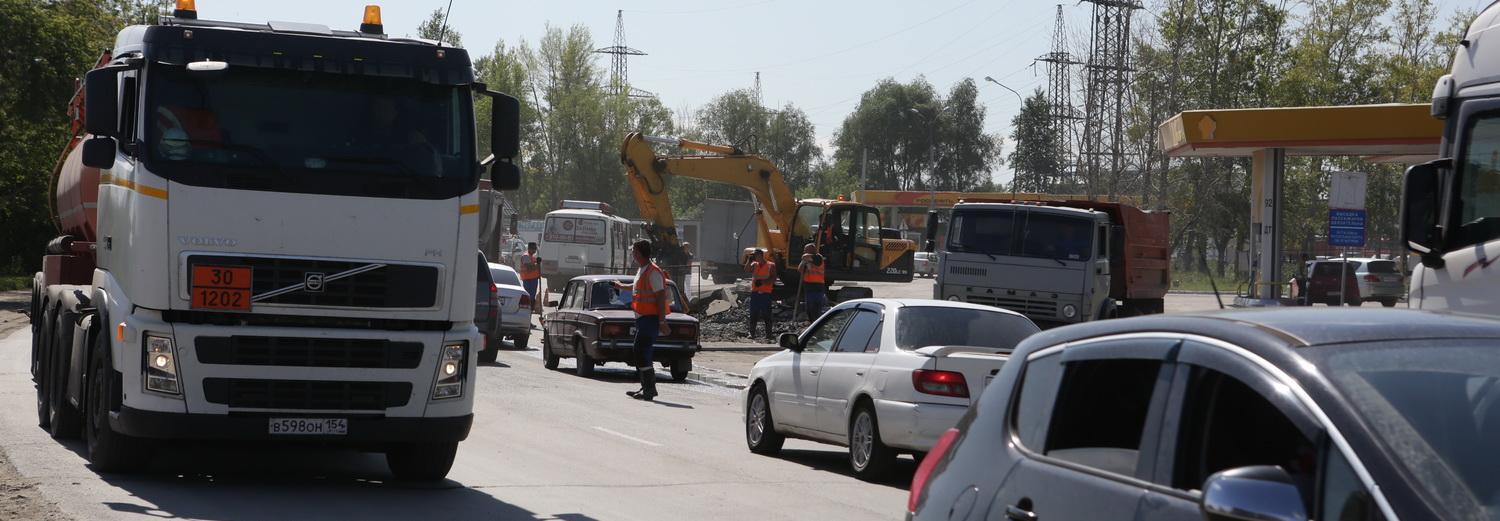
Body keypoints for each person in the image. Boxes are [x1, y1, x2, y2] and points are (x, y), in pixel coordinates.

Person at [612, 241, 671, 401]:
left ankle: (649, 389)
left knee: (641, 351)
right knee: (641, 351)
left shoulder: (653, 272)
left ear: (639, 253)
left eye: (633, 252)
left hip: (650, 318)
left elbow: (660, 296)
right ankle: (647, 388)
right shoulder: (643, 270)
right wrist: (621, 286)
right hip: (643, 318)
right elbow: (638, 287)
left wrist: (662, 321)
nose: (632, 254)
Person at [745, 249, 776, 340]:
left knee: (767, 314)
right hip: (755, 293)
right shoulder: (754, 264)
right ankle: (751, 333)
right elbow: (746, 269)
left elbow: (773, 278)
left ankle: (769, 334)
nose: (754, 257)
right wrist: (749, 260)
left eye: (755, 255)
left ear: (761, 255)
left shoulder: (771, 265)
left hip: (765, 294)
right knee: (753, 314)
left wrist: (763, 282)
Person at [798, 243, 827, 322]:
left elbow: (804, 257)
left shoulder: (818, 257)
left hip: (818, 286)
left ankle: (817, 324)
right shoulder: (807, 260)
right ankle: (812, 323)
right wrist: (804, 263)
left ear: (811, 250)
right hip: (809, 287)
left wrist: (804, 259)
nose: (804, 251)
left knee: (817, 308)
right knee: (809, 309)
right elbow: (800, 269)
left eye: (805, 250)